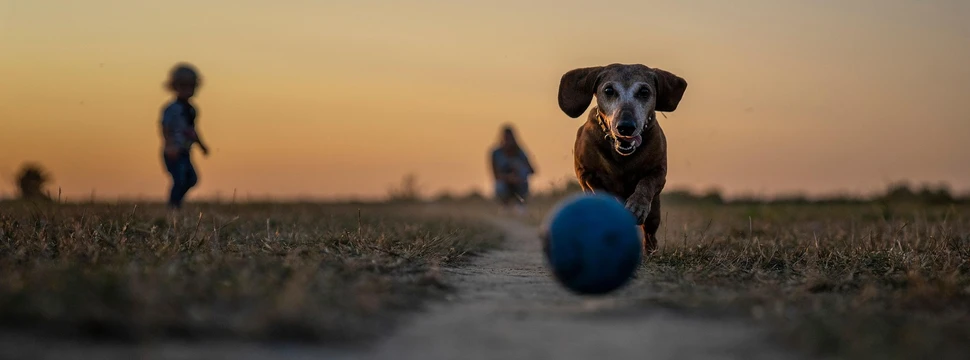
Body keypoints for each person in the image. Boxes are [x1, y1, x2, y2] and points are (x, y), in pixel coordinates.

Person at [159, 63, 209, 210]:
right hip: (173, 151)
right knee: (179, 179)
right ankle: (173, 206)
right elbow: (165, 128)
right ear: (175, 87)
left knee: (191, 179)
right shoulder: (171, 109)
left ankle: (176, 203)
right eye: (183, 86)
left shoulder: (192, 110)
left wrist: (201, 145)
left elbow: (193, 131)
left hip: (185, 152)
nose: (187, 90)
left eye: (190, 86)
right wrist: (169, 145)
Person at [490, 124, 536, 216]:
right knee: (500, 185)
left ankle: (520, 204)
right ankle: (505, 205)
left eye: (510, 138)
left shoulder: (520, 152)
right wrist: (509, 178)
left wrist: (519, 171)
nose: (508, 142)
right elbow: (495, 175)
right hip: (504, 183)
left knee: (523, 174)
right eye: (506, 138)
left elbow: (532, 170)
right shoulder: (496, 153)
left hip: (519, 183)